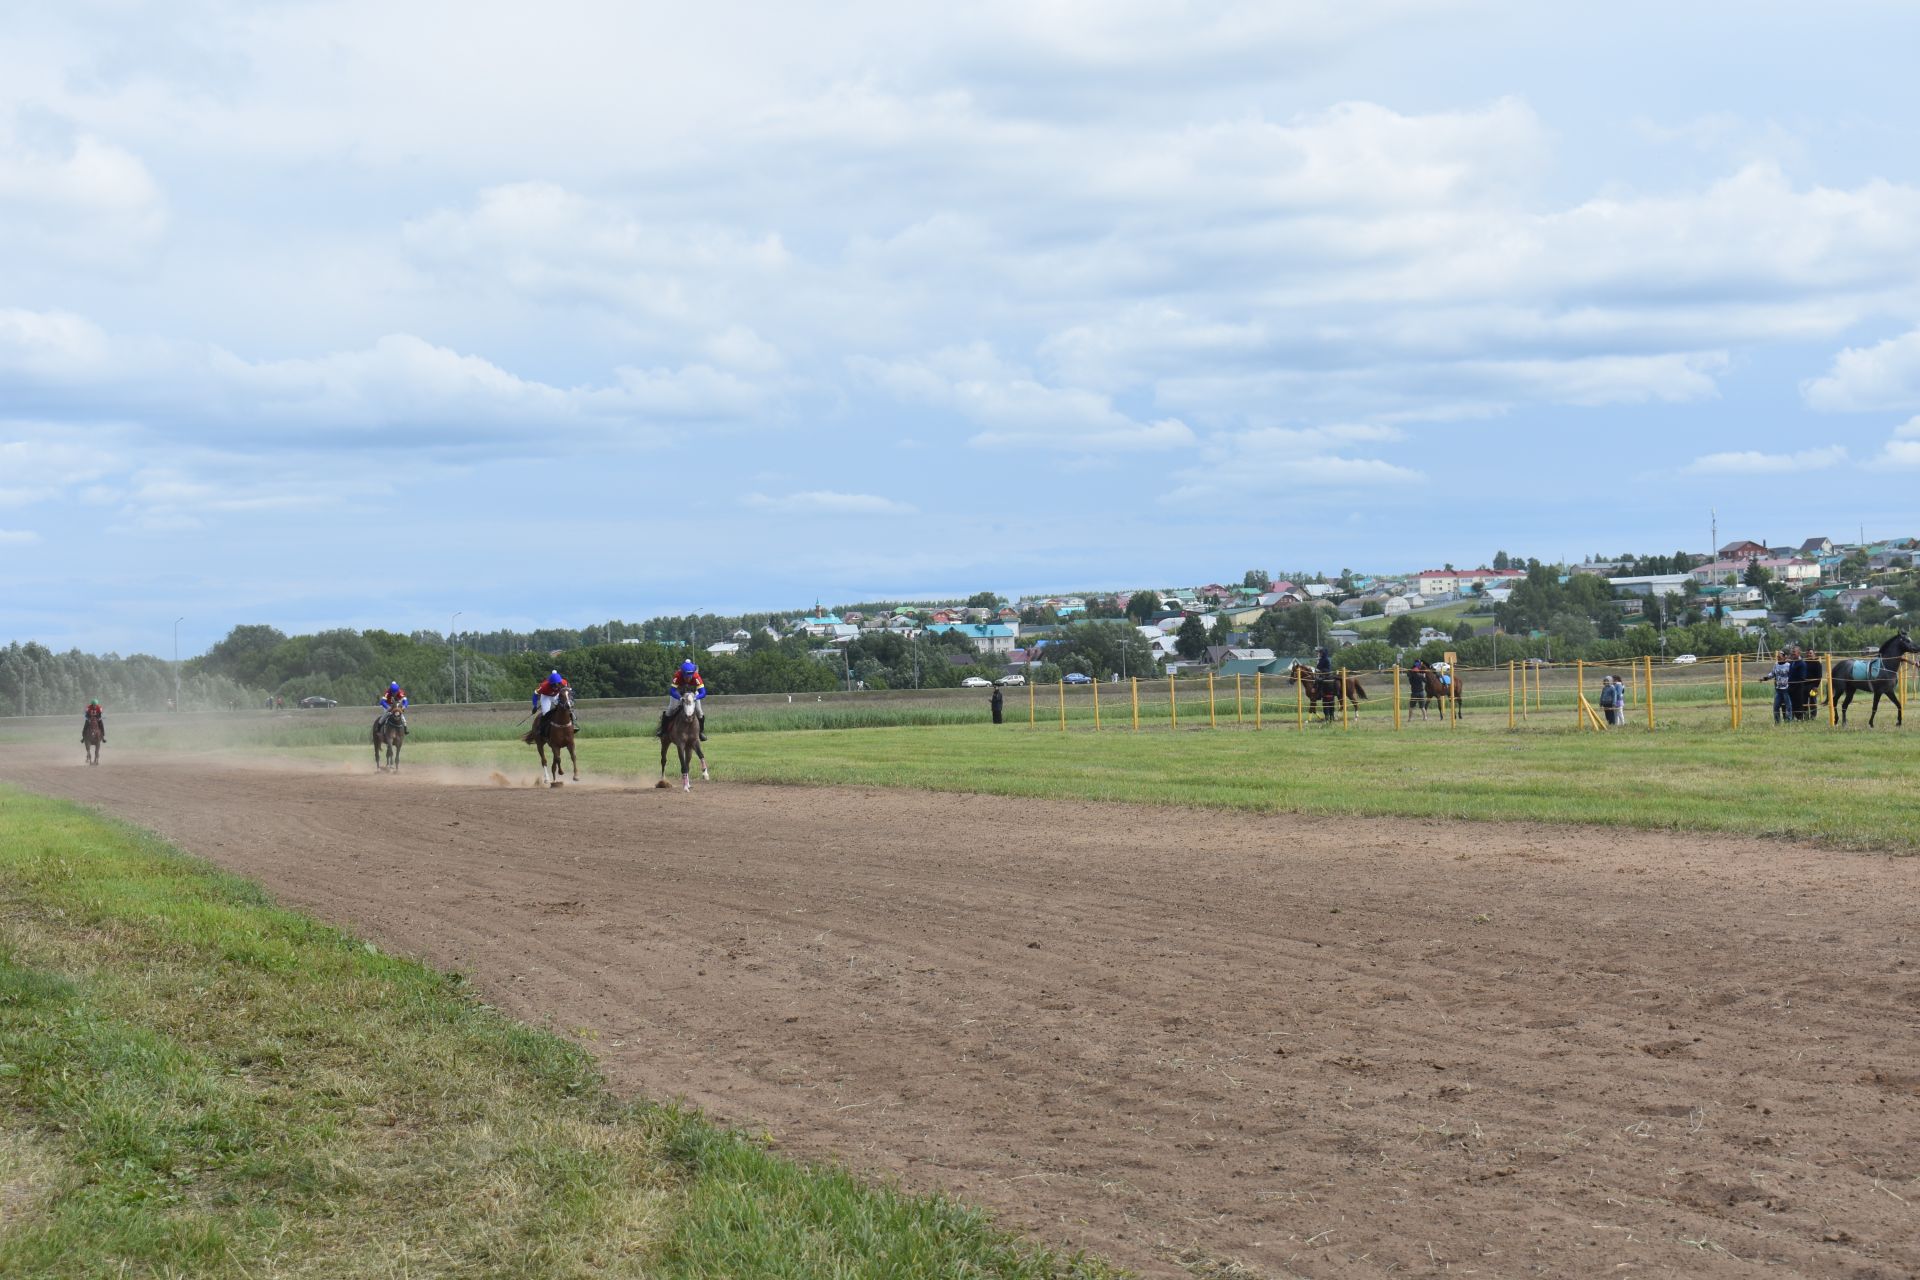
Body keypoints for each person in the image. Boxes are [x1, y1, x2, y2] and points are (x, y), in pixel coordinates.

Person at [661, 659, 707, 740]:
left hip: (693, 694)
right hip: (678, 693)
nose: (688, 679)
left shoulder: (696, 677)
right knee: (670, 709)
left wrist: (695, 698)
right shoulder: (678, 675)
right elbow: (672, 691)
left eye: (689, 677)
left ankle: (701, 732)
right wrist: (680, 698)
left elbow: (703, 693)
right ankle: (663, 731)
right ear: (682, 673)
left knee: (699, 711)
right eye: (686, 677)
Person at [530, 670, 569, 739]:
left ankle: (572, 724)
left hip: (556, 695)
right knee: (546, 713)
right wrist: (535, 705)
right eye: (554, 684)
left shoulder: (564, 682)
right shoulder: (544, 686)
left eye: (558, 684)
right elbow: (535, 694)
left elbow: (568, 690)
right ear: (550, 683)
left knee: (565, 708)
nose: (557, 686)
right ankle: (541, 730)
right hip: (546, 697)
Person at [1764, 651, 1792, 723]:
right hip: (1778, 689)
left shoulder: (1789, 665)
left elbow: (1791, 675)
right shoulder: (1776, 664)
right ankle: (1777, 722)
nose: (1778, 658)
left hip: (1786, 689)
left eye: (1780, 657)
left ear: (1784, 657)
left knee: (1788, 707)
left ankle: (1788, 721)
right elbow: (1773, 673)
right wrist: (1766, 677)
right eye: (1777, 657)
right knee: (1776, 707)